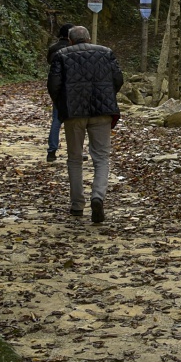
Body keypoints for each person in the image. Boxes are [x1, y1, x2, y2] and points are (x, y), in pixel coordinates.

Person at [48, 25, 123, 224]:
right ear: (88, 39)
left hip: (74, 113)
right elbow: (118, 79)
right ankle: (97, 196)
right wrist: (107, 96)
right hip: (103, 112)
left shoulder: (61, 55)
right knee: (101, 158)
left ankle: (77, 205)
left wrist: (61, 105)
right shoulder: (106, 53)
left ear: (71, 40)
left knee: (74, 159)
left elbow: (53, 85)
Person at [45, 23, 74, 163]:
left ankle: (52, 151)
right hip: (73, 89)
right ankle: (75, 151)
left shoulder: (53, 48)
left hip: (59, 89)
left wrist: (54, 94)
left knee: (56, 121)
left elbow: (50, 65)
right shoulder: (74, 49)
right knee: (75, 122)